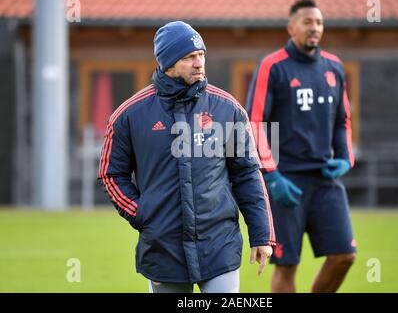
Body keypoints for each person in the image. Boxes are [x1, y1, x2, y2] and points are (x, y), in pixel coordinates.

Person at [98, 21, 275, 293]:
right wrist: (141, 212)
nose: (199, 62)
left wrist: (261, 234)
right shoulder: (129, 115)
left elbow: (247, 174)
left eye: (201, 54)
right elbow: (112, 173)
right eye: (188, 57)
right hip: (162, 249)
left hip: (219, 246)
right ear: (167, 63)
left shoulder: (228, 109)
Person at [246, 0, 356, 293]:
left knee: (345, 256)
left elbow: (342, 120)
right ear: (291, 27)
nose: (315, 28)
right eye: (307, 22)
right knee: (286, 265)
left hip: (325, 180)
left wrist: (345, 157)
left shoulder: (334, 67)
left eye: (319, 22)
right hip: (286, 182)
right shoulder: (272, 66)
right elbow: (254, 123)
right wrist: (271, 175)